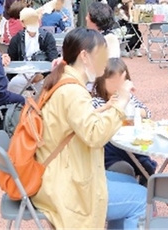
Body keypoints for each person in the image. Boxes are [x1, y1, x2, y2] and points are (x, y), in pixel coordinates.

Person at [32, 28, 147, 229]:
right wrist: (122, 102)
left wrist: (106, 107)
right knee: (143, 197)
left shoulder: (62, 82)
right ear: (84, 56)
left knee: (130, 181)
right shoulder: (73, 91)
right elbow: (95, 136)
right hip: (65, 184)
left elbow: (73, 123)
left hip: (56, 172)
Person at [92, 58, 157, 180]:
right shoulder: (97, 101)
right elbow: (91, 117)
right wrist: (109, 107)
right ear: (102, 82)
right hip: (110, 152)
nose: (117, 87)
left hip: (132, 147)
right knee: (125, 170)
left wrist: (132, 111)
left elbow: (146, 112)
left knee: (147, 167)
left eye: (120, 83)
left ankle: (145, 195)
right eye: (112, 82)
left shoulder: (129, 98)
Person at [6, 7, 59, 94]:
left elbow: (53, 60)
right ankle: (19, 105)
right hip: (22, 74)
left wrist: (42, 75)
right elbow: (11, 61)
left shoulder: (47, 37)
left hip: (43, 74)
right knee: (12, 85)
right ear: (22, 23)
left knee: (49, 87)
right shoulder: (17, 39)